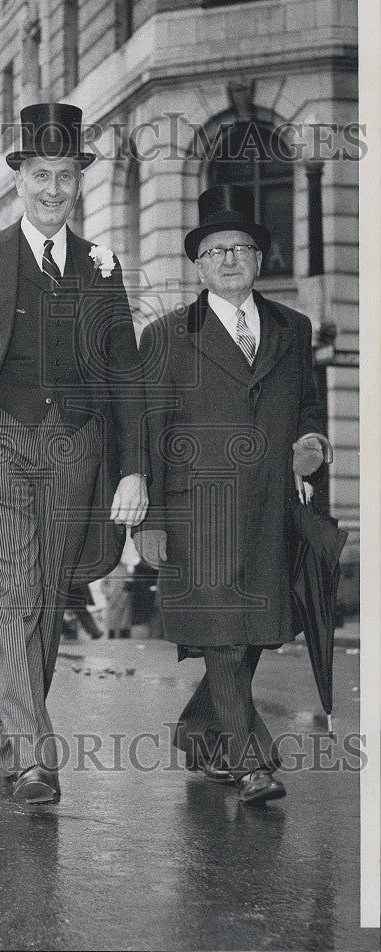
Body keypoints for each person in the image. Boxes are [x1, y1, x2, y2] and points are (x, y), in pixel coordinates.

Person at [0, 103, 147, 803]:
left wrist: (134, 466)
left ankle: (20, 731)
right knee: (14, 593)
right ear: (17, 179)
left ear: (77, 182)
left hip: (74, 446)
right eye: (39, 174)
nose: (52, 188)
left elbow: (124, 373)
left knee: (48, 598)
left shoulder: (100, 266)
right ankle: (33, 754)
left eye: (64, 176)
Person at [134, 184, 329, 805]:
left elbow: (308, 409)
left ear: (260, 259)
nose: (228, 259)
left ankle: (198, 730)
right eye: (214, 250)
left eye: (241, 247)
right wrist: (151, 521)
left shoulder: (293, 329)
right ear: (197, 265)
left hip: (272, 509)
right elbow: (149, 430)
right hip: (200, 513)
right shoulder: (167, 335)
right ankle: (251, 763)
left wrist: (313, 442)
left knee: (251, 635)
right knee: (222, 633)